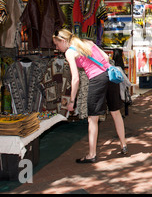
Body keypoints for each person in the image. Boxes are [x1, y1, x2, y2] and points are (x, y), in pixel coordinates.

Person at [53, 29, 128, 163]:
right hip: (110, 75)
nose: (57, 48)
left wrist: (71, 100)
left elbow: (75, 78)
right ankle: (123, 145)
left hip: (97, 79)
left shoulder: (69, 52)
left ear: (63, 41)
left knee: (92, 119)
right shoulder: (87, 42)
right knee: (115, 112)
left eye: (57, 45)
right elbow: (105, 58)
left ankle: (91, 154)